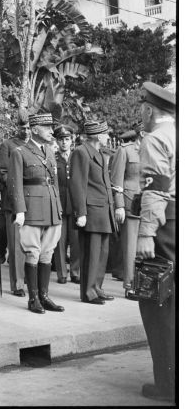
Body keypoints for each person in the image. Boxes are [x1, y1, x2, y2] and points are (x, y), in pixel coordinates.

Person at [135, 82, 175, 403]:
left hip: (166, 227)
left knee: (156, 302)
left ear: (149, 110)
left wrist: (146, 233)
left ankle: (168, 385)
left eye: (142, 110)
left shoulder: (155, 139)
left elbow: (156, 188)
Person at [8, 113, 64, 314]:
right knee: (32, 252)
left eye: (51, 127)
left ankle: (45, 296)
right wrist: (20, 211)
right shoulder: (20, 152)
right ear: (34, 129)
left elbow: (54, 182)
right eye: (47, 127)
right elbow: (15, 184)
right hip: (32, 208)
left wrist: (58, 206)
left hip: (50, 208)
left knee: (47, 253)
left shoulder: (49, 151)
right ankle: (33, 299)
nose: (51, 131)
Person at [69, 120, 116, 305]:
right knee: (91, 253)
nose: (108, 137)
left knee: (102, 253)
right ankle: (88, 292)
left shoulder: (99, 153)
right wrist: (80, 212)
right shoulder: (81, 152)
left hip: (103, 211)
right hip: (91, 211)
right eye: (106, 134)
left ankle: (97, 287)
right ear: (97, 135)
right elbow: (77, 184)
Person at [0, 115, 31, 296]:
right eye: (22, 127)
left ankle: (33, 280)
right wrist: (20, 188)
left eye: (29, 127)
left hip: (34, 201)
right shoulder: (8, 145)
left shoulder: (36, 147)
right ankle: (18, 284)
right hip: (14, 200)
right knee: (16, 245)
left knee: (32, 243)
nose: (26, 131)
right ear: (17, 127)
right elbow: (3, 173)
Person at [110, 123, 144, 292]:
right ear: (142, 133)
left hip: (148, 205)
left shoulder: (153, 151)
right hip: (130, 203)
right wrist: (119, 206)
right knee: (130, 247)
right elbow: (116, 182)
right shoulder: (124, 150)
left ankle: (143, 283)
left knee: (143, 247)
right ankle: (130, 284)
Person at [52, 125, 80, 285]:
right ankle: (62, 273)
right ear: (57, 141)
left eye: (67, 139)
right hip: (60, 204)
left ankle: (75, 272)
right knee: (60, 241)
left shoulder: (77, 157)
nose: (64, 142)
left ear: (72, 140)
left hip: (75, 204)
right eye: (61, 139)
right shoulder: (53, 158)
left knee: (76, 241)